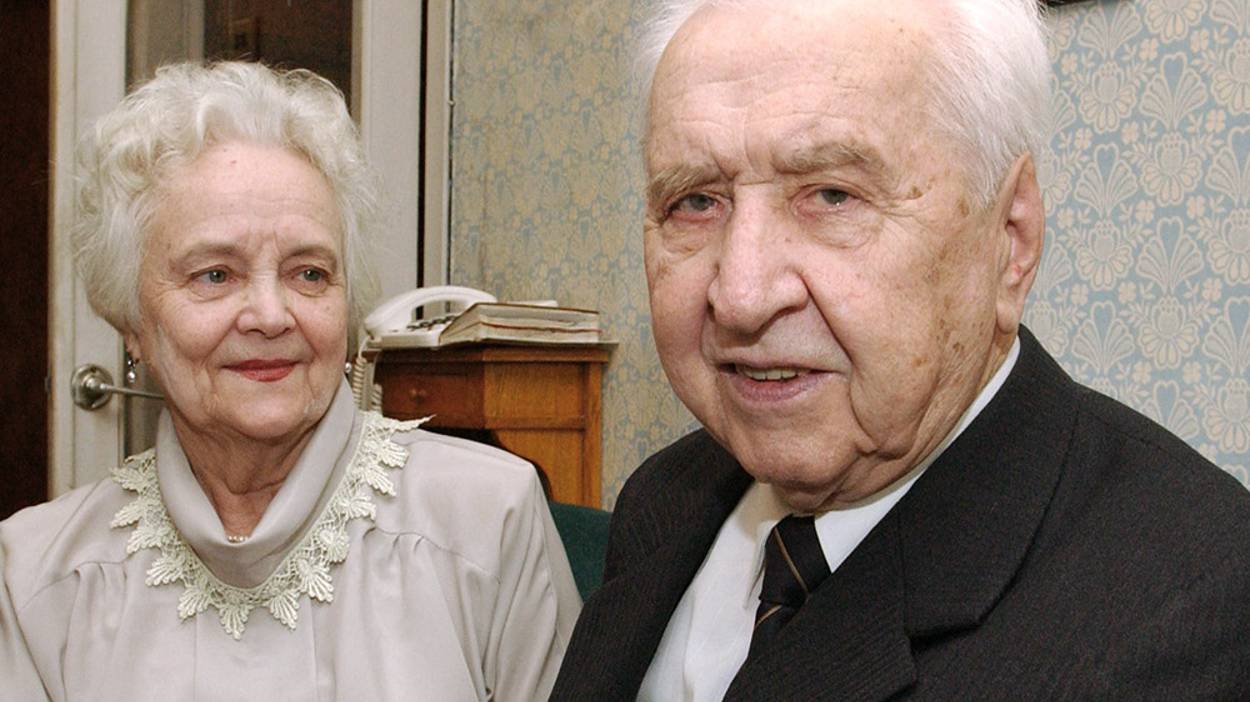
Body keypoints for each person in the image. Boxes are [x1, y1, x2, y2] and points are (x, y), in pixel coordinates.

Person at [551, 1, 1250, 699]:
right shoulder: (664, 497)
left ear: (1010, 239)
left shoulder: (1192, 607)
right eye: (696, 202)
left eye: (832, 196)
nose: (741, 295)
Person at [0, 61, 580, 701]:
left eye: (309, 274)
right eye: (215, 275)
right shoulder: (38, 578)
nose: (272, 316)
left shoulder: (490, 520)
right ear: (131, 321)